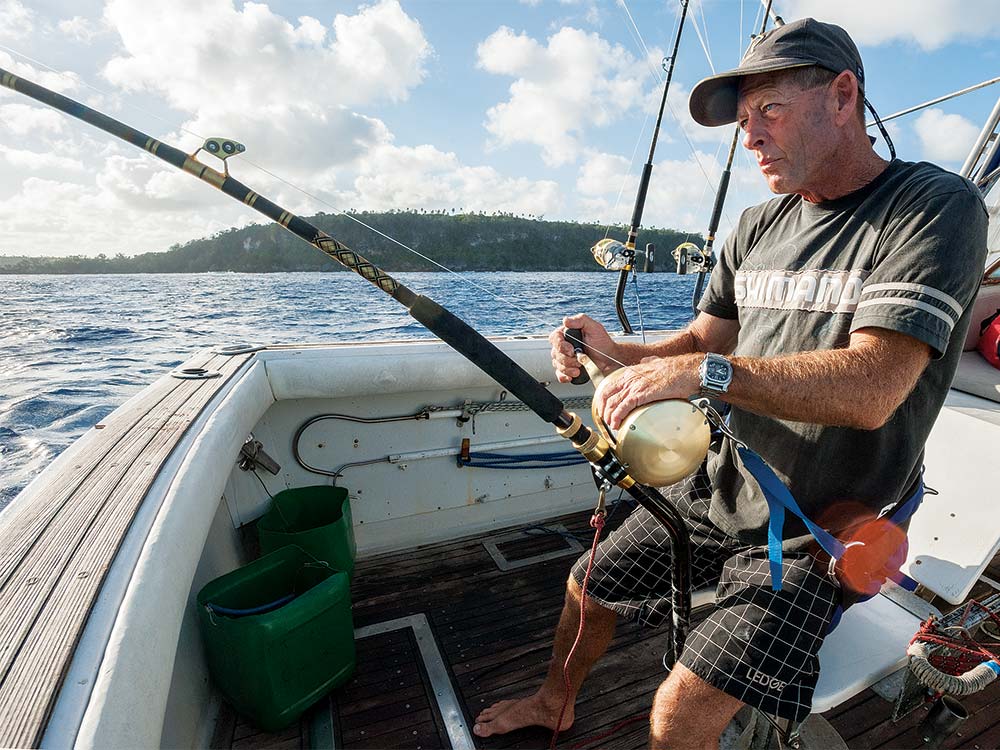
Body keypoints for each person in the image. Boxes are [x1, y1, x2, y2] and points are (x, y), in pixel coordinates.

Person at [473, 17, 988, 749]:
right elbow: (702, 343)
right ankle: (555, 700)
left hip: (819, 532)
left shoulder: (932, 209)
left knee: (678, 711)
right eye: (744, 120)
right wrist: (618, 350)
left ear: (842, 97)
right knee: (586, 588)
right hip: (722, 482)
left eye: (769, 110)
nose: (750, 136)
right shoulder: (753, 225)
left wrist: (699, 373)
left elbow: (872, 387)